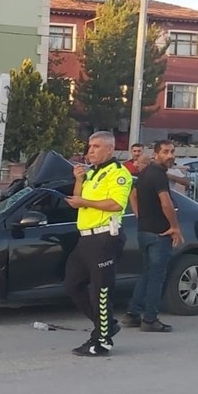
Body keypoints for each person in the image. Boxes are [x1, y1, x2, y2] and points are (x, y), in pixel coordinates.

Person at [65, 131, 134, 357]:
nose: (90, 151)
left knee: (101, 291)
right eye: (90, 146)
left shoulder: (119, 174)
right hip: (86, 237)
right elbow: (78, 202)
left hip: (105, 237)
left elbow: (116, 204)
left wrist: (84, 200)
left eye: (95, 146)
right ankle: (106, 325)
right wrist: (78, 180)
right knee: (73, 284)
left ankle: (102, 341)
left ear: (109, 149)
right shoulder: (92, 174)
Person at [124, 140, 184, 332]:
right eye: (165, 152)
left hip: (144, 231)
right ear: (156, 154)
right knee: (157, 277)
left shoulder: (144, 173)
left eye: (172, 152)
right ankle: (150, 319)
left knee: (147, 273)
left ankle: (133, 313)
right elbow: (166, 203)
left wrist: (139, 215)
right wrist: (175, 227)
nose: (170, 155)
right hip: (159, 233)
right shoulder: (158, 175)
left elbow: (132, 194)